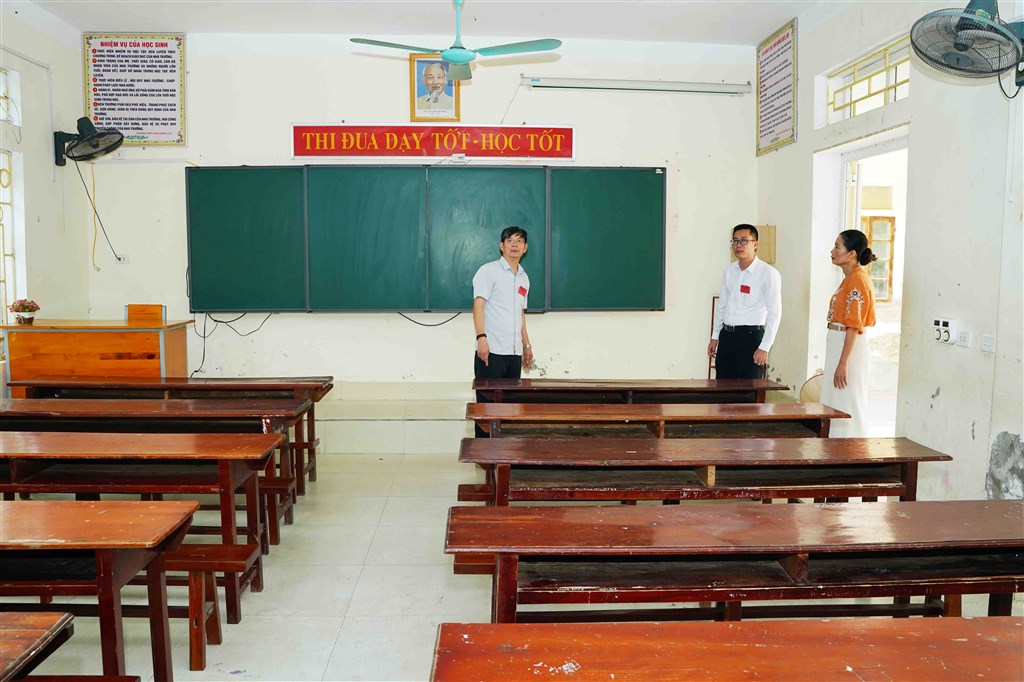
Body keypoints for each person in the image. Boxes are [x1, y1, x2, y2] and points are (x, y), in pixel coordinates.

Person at [472, 226, 534, 436]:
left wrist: (526, 344)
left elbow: (520, 313)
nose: (514, 244)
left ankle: (503, 450)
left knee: (508, 407)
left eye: (519, 241)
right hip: (492, 350)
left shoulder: (524, 278)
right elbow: (478, 306)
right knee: (487, 408)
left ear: (525, 248)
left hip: (514, 352)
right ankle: (483, 450)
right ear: (501, 245)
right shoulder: (488, 271)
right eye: (510, 240)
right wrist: (481, 338)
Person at [820, 229, 877, 437]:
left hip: (849, 346)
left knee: (849, 399)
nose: (832, 251)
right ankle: (834, 446)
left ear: (851, 253)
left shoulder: (857, 280)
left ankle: (851, 448)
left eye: (837, 247)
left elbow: (853, 326)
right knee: (835, 398)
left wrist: (843, 363)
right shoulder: (850, 278)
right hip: (839, 342)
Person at [708, 224, 782, 379]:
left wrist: (765, 347)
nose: (738, 245)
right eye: (735, 241)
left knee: (747, 389)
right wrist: (715, 336)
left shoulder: (768, 273)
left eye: (743, 241)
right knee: (722, 387)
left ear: (755, 244)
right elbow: (722, 305)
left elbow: (775, 313)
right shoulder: (729, 271)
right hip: (727, 337)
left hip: (751, 338)